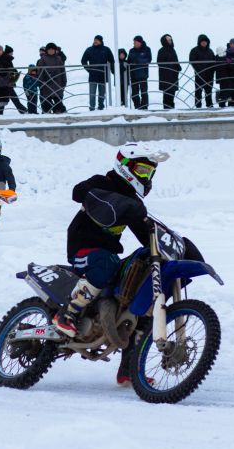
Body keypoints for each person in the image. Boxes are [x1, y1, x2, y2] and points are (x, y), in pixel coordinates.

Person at [53, 143, 169, 343]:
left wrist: (165, 245)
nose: (146, 177)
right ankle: (67, 313)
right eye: (142, 171)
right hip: (82, 250)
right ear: (125, 166)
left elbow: (145, 234)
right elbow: (77, 192)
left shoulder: (134, 203)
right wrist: (103, 197)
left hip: (106, 254)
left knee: (136, 269)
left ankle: (129, 350)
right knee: (107, 262)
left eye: (149, 173)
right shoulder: (102, 182)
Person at [81, 35, 115, 112]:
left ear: (101, 41)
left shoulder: (106, 49)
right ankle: (92, 109)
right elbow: (83, 60)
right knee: (92, 94)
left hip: (103, 75)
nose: (95, 41)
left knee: (102, 94)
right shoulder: (89, 50)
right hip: (92, 76)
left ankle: (101, 108)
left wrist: (113, 71)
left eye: (97, 40)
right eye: (95, 40)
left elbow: (112, 61)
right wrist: (89, 70)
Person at [37, 43, 67, 114]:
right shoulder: (43, 59)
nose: (51, 51)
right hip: (47, 83)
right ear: (47, 50)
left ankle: (59, 114)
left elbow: (63, 70)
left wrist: (64, 81)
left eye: (52, 49)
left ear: (55, 50)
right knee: (47, 102)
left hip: (58, 83)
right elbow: (40, 72)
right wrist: (41, 82)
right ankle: (47, 115)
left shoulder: (58, 58)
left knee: (58, 100)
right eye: (49, 49)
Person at [156, 34, 181, 110]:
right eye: (168, 40)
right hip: (165, 76)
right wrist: (170, 66)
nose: (170, 41)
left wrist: (178, 67)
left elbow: (176, 60)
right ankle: (166, 110)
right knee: (166, 95)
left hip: (173, 75)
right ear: (165, 41)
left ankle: (172, 109)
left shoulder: (173, 50)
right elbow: (159, 62)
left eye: (170, 39)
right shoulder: (161, 51)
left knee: (172, 94)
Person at [127, 36, 152, 110]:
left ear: (140, 42)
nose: (134, 43)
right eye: (133, 42)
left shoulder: (147, 49)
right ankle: (137, 107)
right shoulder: (131, 50)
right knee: (134, 93)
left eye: (135, 42)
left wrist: (138, 60)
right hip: (133, 74)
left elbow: (148, 59)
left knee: (144, 92)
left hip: (143, 74)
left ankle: (144, 107)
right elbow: (129, 61)